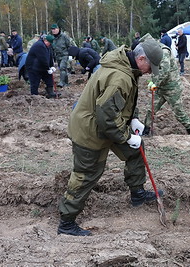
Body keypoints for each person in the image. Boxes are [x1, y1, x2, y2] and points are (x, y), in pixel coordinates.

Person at [57, 40, 164, 236]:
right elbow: (106, 116)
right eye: (150, 66)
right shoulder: (120, 76)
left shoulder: (129, 68)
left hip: (108, 125)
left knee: (135, 151)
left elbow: (125, 101)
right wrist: (126, 137)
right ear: (141, 58)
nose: (150, 72)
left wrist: (134, 120)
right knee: (87, 173)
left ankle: (137, 194)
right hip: (90, 130)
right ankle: (66, 222)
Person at [139, 33, 190, 136]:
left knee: (178, 112)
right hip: (160, 88)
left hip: (172, 87)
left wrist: (154, 83)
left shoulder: (163, 51)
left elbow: (164, 70)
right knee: (150, 109)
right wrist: (152, 81)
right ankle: (146, 132)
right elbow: (155, 69)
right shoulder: (152, 53)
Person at [51, 23, 72, 87]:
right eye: (52, 29)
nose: (53, 30)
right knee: (62, 69)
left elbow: (69, 45)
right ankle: (66, 83)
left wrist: (70, 55)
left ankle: (61, 82)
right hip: (57, 56)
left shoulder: (64, 36)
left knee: (63, 67)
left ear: (58, 29)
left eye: (54, 29)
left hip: (64, 55)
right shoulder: (52, 37)